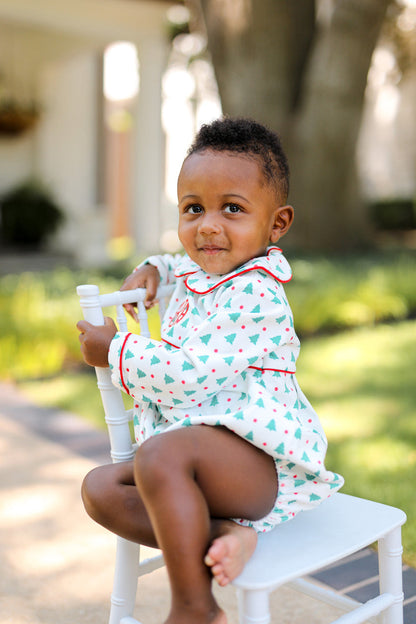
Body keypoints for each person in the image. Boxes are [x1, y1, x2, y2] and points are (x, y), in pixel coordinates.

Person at [77, 117, 343, 624]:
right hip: (193, 463)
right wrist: (157, 266)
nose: (208, 226)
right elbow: (190, 265)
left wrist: (119, 350)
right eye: (193, 208)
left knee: (157, 456)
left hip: (254, 465)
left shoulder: (258, 294)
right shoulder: (213, 270)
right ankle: (227, 534)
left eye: (233, 209)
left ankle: (196, 608)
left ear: (277, 224)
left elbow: (194, 375)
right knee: (99, 489)